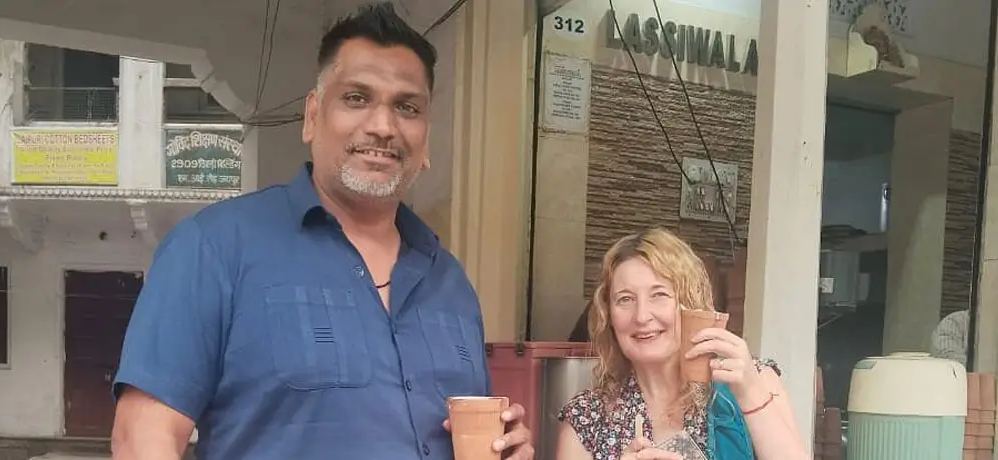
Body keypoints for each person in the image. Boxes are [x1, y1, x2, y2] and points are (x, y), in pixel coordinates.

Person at [109, 3, 534, 459]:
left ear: (425, 137)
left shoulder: (450, 283)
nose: (383, 126)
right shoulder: (213, 248)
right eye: (356, 98)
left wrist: (508, 449)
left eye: (407, 107)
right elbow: (141, 439)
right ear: (312, 116)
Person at [554, 228, 807, 460]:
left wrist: (751, 394)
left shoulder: (752, 381)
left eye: (659, 295)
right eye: (625, 299)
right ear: (608, 315)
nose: (641, 316)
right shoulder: (586, 420)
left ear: (689, 303)